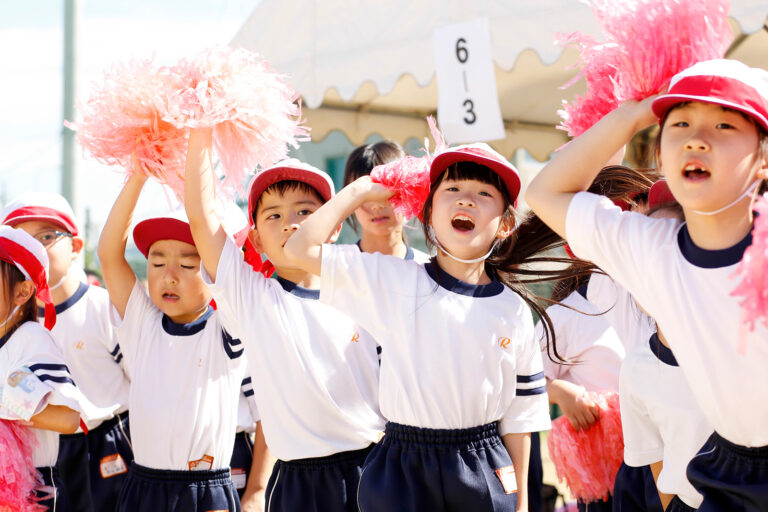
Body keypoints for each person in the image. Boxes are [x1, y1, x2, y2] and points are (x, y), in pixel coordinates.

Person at [526, 59, 768, 511]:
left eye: (724, 124)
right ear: (660, 155)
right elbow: (545, 194)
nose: (697, 137)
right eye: (678, 123)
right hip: (724, 474)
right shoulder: (654, 248)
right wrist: (632, 114)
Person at [285, 143, 562, 511]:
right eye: (452, 190)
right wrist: (361, 189)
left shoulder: (511, 308)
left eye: (483, 193)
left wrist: (524, 503)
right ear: (428, 212)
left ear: (505, 224)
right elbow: (299, 248)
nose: (466, 201)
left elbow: (520, 415)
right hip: (402, 467)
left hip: (482, 466)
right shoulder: (395, 280)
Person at [184, 128, 385, 512]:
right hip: (297, 482)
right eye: (273, 215)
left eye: (305, 212)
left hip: (372, 468)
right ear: (257, 240)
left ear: (334, 225)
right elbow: (200, 215)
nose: (290, 223)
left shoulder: (364, 284)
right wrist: (203, 125)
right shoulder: (253, 297)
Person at [98, 173, 247, 512]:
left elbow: (227, 269)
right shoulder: (143, 323)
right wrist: (138, 174)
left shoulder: (227, 329)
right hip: (143, 487)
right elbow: (109, 254)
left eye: (188, 263)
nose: (169, 275)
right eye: (158, 261)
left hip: (205, 493)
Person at [2, 191, 132, 512]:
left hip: (108, 440)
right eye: (21, 238)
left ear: (75, 247)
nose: (34, 247)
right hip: (51, 448)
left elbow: (143, 381)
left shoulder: (101, 308)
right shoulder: (20, 325)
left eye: (46, 236)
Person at [0, 225, 83, 511]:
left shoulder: (32, 339)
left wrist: (8, 404)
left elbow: (69, 419)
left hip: (31, 485)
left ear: (23, 292)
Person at [343, 141, 430, 262]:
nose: (377, 206)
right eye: (365, 194)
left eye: (387, 189)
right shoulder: (336, 265)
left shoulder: (427, 269)